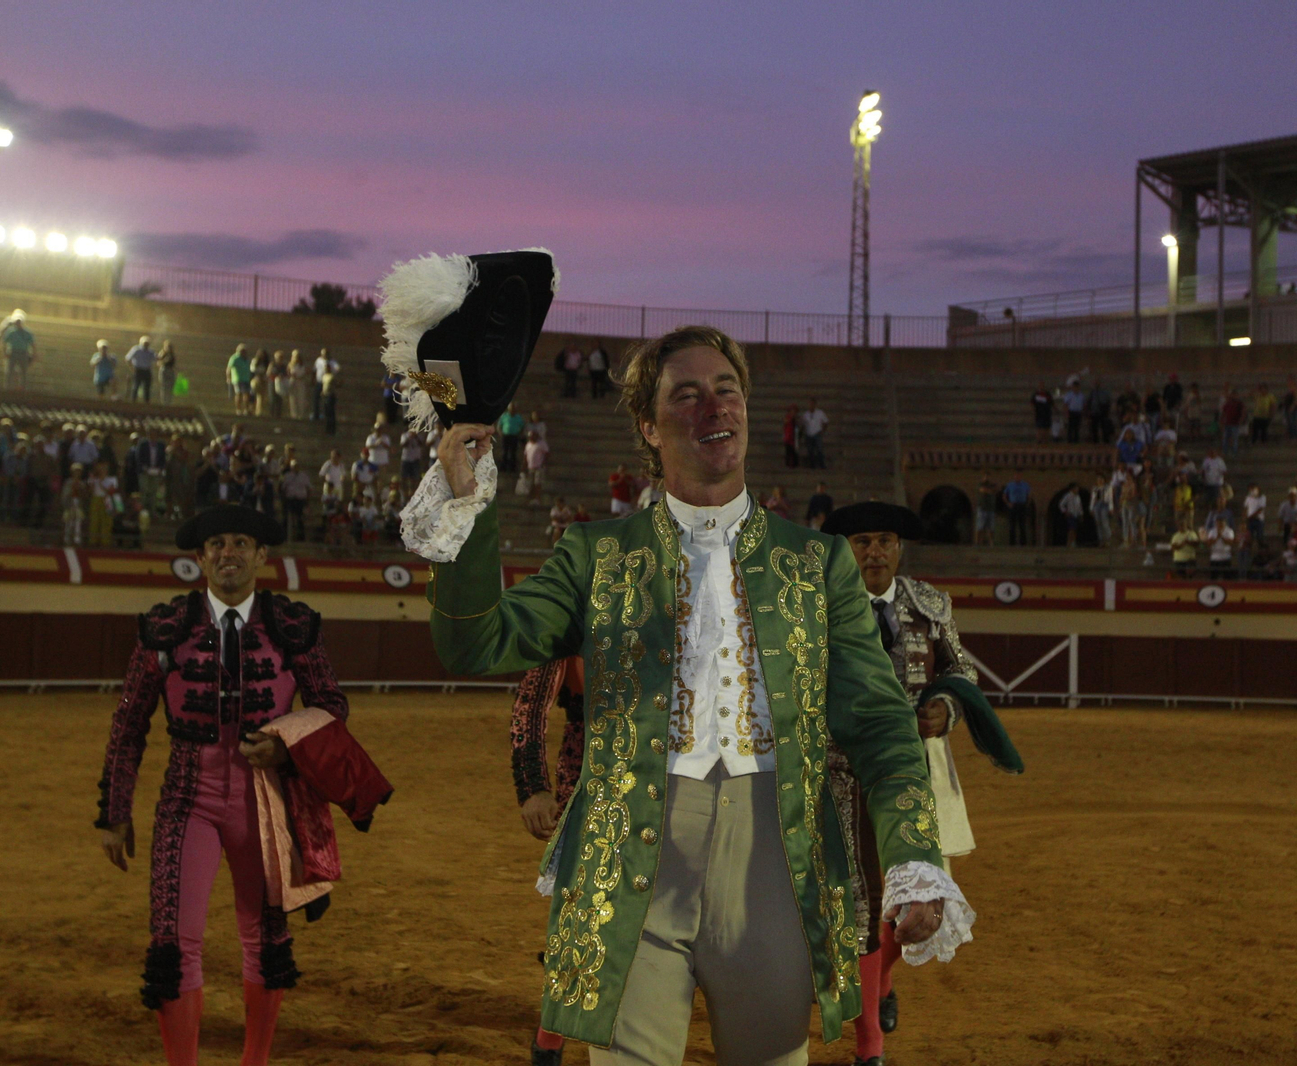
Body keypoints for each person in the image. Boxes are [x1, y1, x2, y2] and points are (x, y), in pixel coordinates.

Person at [400, 324, 970, 1065]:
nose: (714, 407)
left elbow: (881, 723)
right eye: (687, 395)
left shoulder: (818, 562)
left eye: (727, 390)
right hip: (630, 856)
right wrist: (466, 506)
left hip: (776, 858)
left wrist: (914, 854)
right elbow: (474, 642)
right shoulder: (595, 554)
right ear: (648, 425)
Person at [95, 505, 357, 1066]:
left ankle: (254, 1062)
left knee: (265, 939)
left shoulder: (292, 626)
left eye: (241, 542)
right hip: (187, 799)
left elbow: (331, 706)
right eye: (216, 543)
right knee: (173, 942)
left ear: (261, 556)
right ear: (199, 558)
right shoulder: (166, 628)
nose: (228, 553)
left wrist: (286, 744)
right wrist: (115, 810)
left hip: (265, 802)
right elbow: (129, 723)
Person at [819, 500, 1020, 1066]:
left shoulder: (929, 605)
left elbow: (960, 671)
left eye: (885, 540)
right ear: (845, 550)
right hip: (837, 772)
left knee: (910, 895)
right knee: (858, 901)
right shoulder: (817, 605)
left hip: (911, 770)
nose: (874, 552)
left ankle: (881, 986)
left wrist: (946, 709)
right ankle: (870, 1048)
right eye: (862, 541)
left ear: (900, 548)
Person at [509, 656, 587, 1066]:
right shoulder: (578, 619)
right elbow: (531, 705)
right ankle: (550, 1039)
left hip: (687, 781)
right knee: (581, 918)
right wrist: (533, 785)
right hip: (593, 779)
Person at [0, 310, 36, 391]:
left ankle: (23, 388)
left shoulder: (27, 332)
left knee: (23, 372)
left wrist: (33, 355)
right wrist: (5, 352)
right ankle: (7, 388)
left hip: (23, 353)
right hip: (13, 352)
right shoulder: (11, 332)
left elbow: (33, 344)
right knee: (9, 371)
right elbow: (4, 342)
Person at [1002, 472, 1031, 546]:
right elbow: (1004, 496)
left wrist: (1026, 504)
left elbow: (1029, 495)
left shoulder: (1025, 485)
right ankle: (1012, 543)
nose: (1017, 477)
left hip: (1022, 505)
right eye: (1016, 476)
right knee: (1012, 525)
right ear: (1014, 477)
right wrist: (1008, 503)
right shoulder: (1010, 485)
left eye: (1019, 476)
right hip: (1013, 505)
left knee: (1022, 525)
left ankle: (1023, 543)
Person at [800, 397, 829, 469]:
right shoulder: (806, 414)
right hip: (808, 434)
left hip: (817, 433)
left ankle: (822, 464)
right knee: (810, 450)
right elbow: (803, 424)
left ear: (815, 404)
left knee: (819, 450)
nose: (811, 405)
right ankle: (812, 465)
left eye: (812, 404)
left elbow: (826, 422)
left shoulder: (820, 413)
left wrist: (823, 431)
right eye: (810, 404)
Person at [127, 336, 159, 403]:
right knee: (136, 386)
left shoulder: (150, 352)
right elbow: (128, 358)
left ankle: (146, 402)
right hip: (138, 370)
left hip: (147, 370)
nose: (146, 345)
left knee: (147, 387)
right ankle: (133, 401)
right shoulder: (136, 350)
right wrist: (132, 368)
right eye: (145, 343)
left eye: (147, 343)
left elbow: (156, 359)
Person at [227, 344, 253, 416]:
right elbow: (229, 368)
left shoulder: (247, 359)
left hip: (246, 379)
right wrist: (228, 377)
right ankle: (238, 409)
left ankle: (246, 409)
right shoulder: (235, 358)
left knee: (246, 394)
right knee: (238, 394)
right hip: (237, 379)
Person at [973, 474, 998, 545]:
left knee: (991, 527)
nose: (987, 478)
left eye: (988, 476)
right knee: (980, 526)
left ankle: (991, 542)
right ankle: (977, 542)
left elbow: (995, 490)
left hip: (990, 509)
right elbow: (982, 490)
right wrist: (989, 490)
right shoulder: (980, 484)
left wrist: (989, 490)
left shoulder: (993, 485)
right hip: (982, 508)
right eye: (985, 476)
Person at [1059, 482, 1084, 547]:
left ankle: (1073, 542)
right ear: (1072, 489)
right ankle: (1069, 542)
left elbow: (1079, 507)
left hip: (1076, 515)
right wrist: (1065, 511)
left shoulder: (1078, 497)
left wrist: (1081, 514)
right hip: (1070, 514)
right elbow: (1061, 504)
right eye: (1076, 488)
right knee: (1071, 529)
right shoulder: (1068, 496)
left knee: (1075, 529)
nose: (1077, 489)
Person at [781, 404, 800, 468]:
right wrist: (791, 418)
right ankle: (788, 464)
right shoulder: (788, 417)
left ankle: (794, 464)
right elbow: (785, 422)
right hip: (788, 437)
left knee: (794, 452)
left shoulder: (796, 419)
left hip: (794, 438)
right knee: (788, 451)